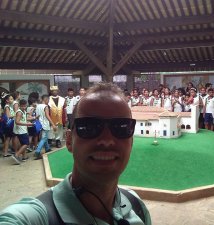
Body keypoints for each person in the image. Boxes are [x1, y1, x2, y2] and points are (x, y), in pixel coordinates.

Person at [0, 82, 151, 225]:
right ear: (69, 141)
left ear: (131, 142)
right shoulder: (37, 217)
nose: (107, 140)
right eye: (89, 127)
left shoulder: (137, 206)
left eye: (122, 127)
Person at [34, 95, 57, 159]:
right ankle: (37, 151)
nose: (49, 101)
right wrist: (53, 124)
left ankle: (47, 148)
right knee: (44, 138)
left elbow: (37, 115)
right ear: (46, 99)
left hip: (39, 124)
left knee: (45, 137)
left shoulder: (37, 106)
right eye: (48, 100)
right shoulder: (46, 106)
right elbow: (47, 116)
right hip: (45, 124)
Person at [11, 99, 33, 165]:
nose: (24, 107)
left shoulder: (23, 111)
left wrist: (33, 118)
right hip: (21, 131)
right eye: (22, 106)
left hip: (21, 130)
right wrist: (27, 124)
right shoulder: (19, 112)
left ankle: (24, 156)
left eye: (25, 106)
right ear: (19, 105)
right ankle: (16, 155)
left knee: (23, 143)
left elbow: (24, 119)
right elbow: (17, 122)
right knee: (26, 144)